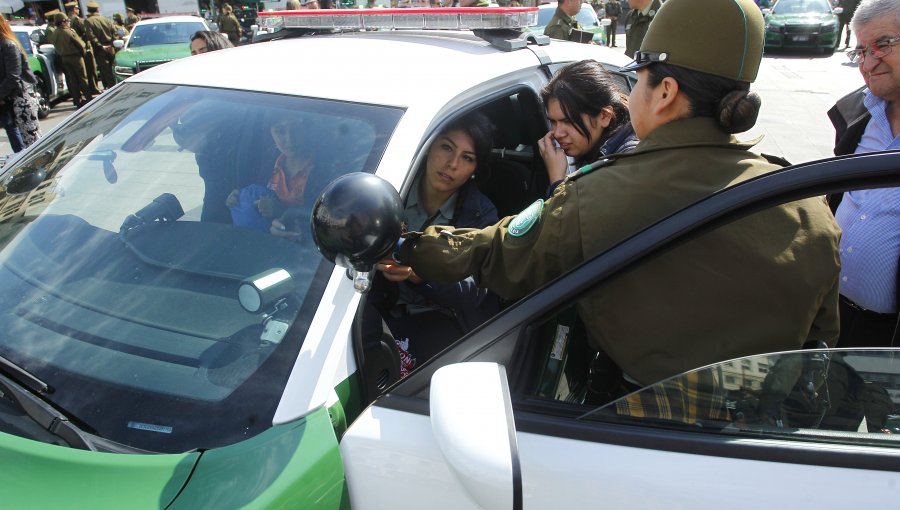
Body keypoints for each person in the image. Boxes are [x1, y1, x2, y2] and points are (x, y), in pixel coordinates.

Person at [390, 0, 841, 388]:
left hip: (631, 425)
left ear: (665, 92)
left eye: (640, 78)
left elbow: (497, 255)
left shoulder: (599, 195)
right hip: (763, 448)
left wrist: (407, 245)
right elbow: (819, 349)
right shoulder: (808, 209)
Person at [375, 113, 500, 375]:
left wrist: (419, 274)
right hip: (376, 306)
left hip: (440, 321)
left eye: (467, 158)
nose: (452, 164)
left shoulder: (481, 213)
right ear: (429, 145)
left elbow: (474, 290)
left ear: (476, 169)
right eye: (447, 148)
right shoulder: (393, 187)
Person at [826, 0, 900, 348]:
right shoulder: (857, 116)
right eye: (860, 51)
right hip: (835, 319)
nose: (868, 62)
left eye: (883, 44)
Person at [537, 59, 638, 195]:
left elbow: (572, 215)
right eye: (553, 122)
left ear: (604, 116)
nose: (557, 133)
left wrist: (557, 180)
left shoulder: (626, 163)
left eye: (568, 121)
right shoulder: (598, 150)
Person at [0, 15, 41, 152]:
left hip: (21, 99)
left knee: (32, 142)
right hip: (10, 100)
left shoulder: (8, 45)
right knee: (22, 143)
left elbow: (13, 76)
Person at [49, 14, 91, 108]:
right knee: (83, 79)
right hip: (75, 57)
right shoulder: (69, 32)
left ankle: (77, 100)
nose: (68, 22)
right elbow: (80, 44)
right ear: (63, 22)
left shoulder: (54, 33)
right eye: (67, 21)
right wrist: (83, 53)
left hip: (64, 58)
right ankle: (89, 99)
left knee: (73, 80)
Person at [65, 1, 100, 97]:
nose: (78, 10)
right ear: (74, 10)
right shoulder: (77, 20)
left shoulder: (68, 20)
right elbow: (86, 32)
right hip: (84, 46)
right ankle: (94, 88)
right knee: (91, 69)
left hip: (76, 49)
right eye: (77, 8)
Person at [84, 0, 117, 90]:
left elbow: (91, 36)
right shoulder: (107, 20)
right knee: (114, 69)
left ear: (88, 10)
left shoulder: (88, 21)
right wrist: (111, 45)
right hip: (110, 48)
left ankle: (112, 89)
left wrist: (101, 46)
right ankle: (116, 87)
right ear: (97, 9)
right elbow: (115, 33)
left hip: (100, 50)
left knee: (106, 71)